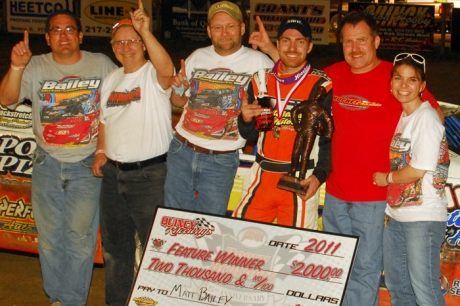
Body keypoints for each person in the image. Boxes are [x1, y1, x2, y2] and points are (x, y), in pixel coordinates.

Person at [247, 11, 443, 306]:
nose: (355, 49)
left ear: (376, 41)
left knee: (365, 271)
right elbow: (298, 73)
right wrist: (273, 50)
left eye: (362, 40)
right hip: (335, 194)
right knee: (338, 269)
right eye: (348, 42)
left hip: (375, 197)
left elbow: (434, 121)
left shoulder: (398, 78)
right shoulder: (333, 75)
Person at [0, 10, 116, 306]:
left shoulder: (101, 64)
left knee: (80, 239)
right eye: (56, 30)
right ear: (48, 38)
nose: (63, 35)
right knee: (50, 239)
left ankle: (70, 300)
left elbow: (121, 101)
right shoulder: (35, 65)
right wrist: (16, 66)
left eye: (69, 30)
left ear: (80, 35)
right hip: (46, 163)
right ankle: (57, 298)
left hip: (87, 163)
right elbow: (7, 99)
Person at [90, 1, 175, 305]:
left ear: (142, 44)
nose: (126, 47)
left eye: (133, 41)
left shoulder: (153, 73)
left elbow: (168, 70)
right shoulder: (111, 80)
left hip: (150, 176)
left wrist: (146, 31)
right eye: (120, 42)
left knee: (158, 250)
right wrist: (101, 150)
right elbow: (103, 120)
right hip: (113, 176)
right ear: (113, 47)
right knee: (116, 252)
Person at [165, 1, 273, 215]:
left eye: (230, 26)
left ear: (242, 28)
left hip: (221, 158)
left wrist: (251, 116)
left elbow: (278, 98)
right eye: (217, 27)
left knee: (209, 225)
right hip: (181, 149)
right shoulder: (197, 56)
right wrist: (177, 90)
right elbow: (178, 103)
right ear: (209, 31)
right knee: (172, 220)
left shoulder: (260, 62)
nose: (224, 32)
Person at [232, 17, 332, 229]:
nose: (293, 48)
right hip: (261, 175)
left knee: (295, 252)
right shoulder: (260, 80)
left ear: (310, 46)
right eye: (286, 41)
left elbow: (329, 140)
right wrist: (246, 119)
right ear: (277, 44)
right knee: (241, 243)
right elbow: (252, 134)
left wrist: (319, 176)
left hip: (300, 179)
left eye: (300, 41)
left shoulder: (322, 85)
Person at [373, 53, 449, 306]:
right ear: (391, 82)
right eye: (398, 78)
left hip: (423, 218)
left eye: (412, 80)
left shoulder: (425, 118)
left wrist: (387, 178)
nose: (404, 85)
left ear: (422, 86)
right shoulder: (403, 117)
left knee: (425, 290)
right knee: (399, 288)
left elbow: (418, 169)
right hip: (397, 215)